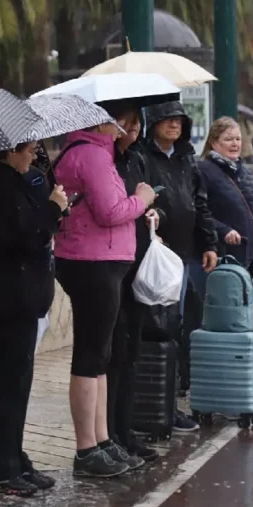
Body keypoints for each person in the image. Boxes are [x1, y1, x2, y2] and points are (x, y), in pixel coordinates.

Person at [0, 143, 68, 497]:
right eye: (29, 149)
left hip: (19, 297)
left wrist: (52, 206)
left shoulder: (15, 182)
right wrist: (53, 209)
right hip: (6, 301)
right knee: (10, 385)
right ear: (9, 151)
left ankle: (14, 456)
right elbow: (24, 237)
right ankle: (3, 467)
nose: (34, 156)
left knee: (18, 384)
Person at [53, 121, 157, 478]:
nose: (125, 129)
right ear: (101, 121)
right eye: (122, 121)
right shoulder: (91, 155)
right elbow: (110, 211)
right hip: (92, 261)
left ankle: (101, 439)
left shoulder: (97, 153)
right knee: (91, 354)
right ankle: (87, 448)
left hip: (101, 260)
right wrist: (141, 200)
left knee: (102, 354)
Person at [142, 101, 219, 431]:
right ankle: (157, 407)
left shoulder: (188, 160)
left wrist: (210, 243)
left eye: (179, 121)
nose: (174, 125)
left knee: (179, 327)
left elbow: (200, 204)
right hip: (156, 255)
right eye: (168, 120)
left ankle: (171, 402)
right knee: (160, 327)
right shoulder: (143, 158)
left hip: (186, 255)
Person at [103, 103, 162, 463]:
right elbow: (116, 207)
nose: (134, 129)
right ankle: (108, 433)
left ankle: (126, 431)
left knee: (132, 353)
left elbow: (148, 198)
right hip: (112, 268)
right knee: (113, 353)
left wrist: (154, 211)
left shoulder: (136, 159)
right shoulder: (103, 162)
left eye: (138, 123)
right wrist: (138, 203)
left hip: (138, 262)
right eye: (126, 123)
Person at [198, 118, 253, 269]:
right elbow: (198, 212)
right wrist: (224, 231)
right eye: (228, 139)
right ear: (213, 142)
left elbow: (252, 211)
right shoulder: (203, 171)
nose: (235, 144)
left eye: (238, 139)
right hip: (220, 257)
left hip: (246, 257)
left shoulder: (245, 172)